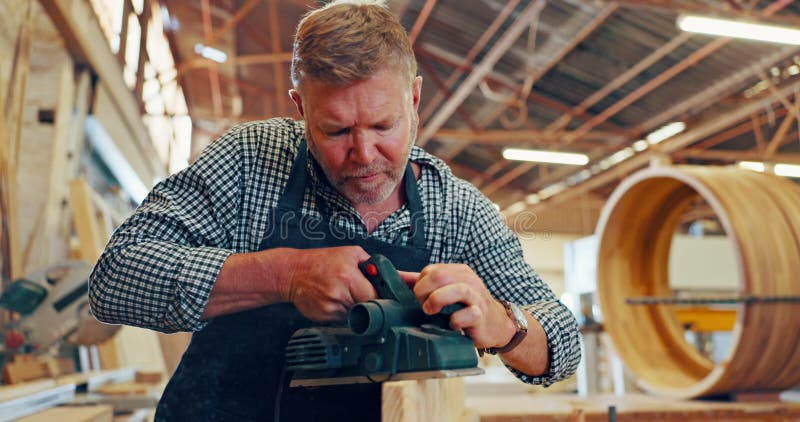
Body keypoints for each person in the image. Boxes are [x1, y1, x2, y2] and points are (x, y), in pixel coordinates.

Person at [88, 1, 580, 420]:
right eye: (337, 131)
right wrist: (283, 273)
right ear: (300, 107)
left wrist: (502, 323)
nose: (364, 155)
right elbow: (115, 280)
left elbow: (562, 345)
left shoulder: (457, 209)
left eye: (383, 126)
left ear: (413, 99)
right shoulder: (248, 161)